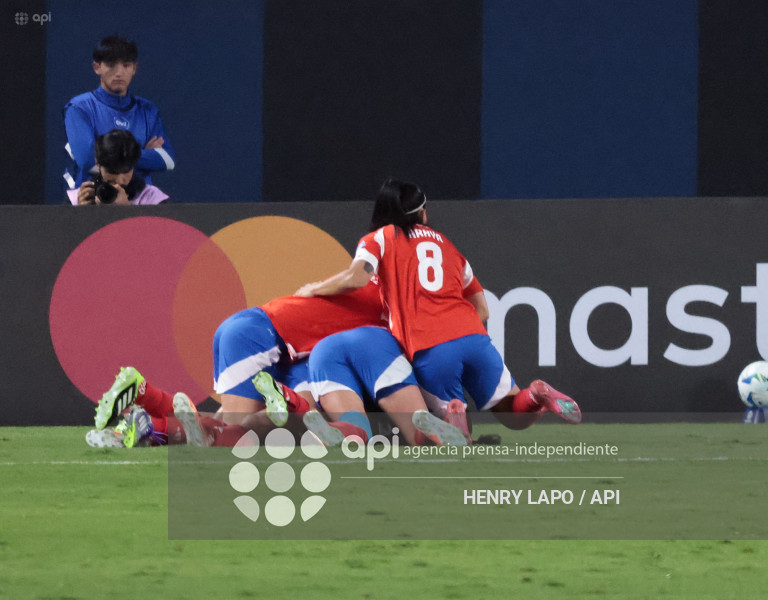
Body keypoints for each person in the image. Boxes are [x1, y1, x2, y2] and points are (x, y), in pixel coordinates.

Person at [295, 178, 582, 431]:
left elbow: (357, 277)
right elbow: (483, 309)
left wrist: (314, 289)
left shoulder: (379, 238)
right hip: (474, 337)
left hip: (430, 346)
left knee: (448, 431)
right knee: (514, 414)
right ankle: (536, 393)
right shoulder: (448, 246)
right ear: (421, 212)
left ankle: (454, 412)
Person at [63, 35, 175, 190]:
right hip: (92, 202)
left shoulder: (148, 110)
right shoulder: (79, 108)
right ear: (97, 67)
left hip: (140, 203)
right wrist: (142, 153)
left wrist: (107, 156)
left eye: (126, 65)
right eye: (111, 64)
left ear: (134, 69)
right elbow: (87, 161)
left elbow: (167, 160)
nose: (119, 73)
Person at [67, 129, 168, 205]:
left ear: (133, 165)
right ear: (98, 164)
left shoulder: (152, 198)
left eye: (125, 171)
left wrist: (127, 211)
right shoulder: (80, 197)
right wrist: (78, 214)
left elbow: (167, 232)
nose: (119, 180)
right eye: (112, 172)